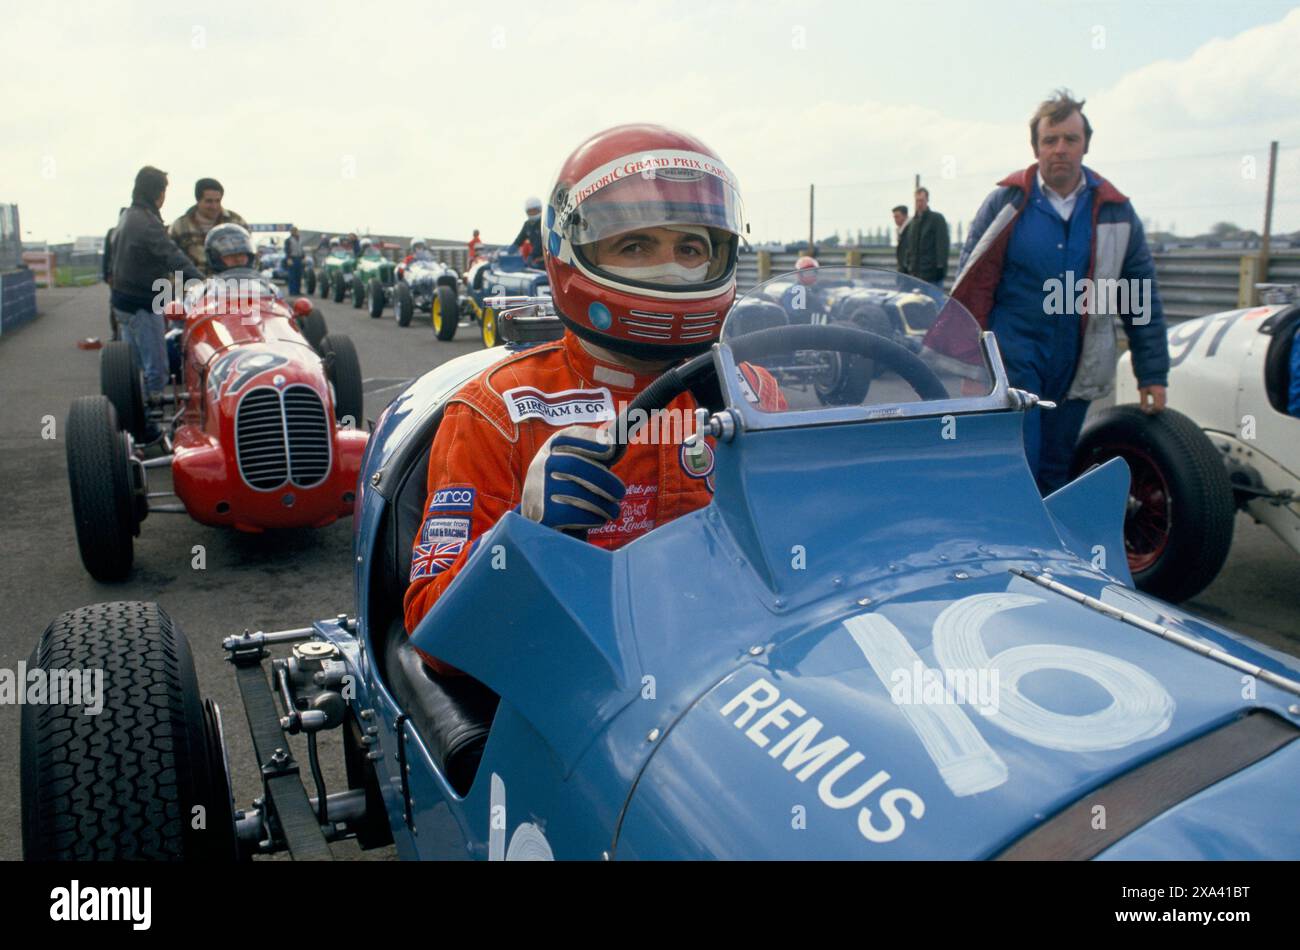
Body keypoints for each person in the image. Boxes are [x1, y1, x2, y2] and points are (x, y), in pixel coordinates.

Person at [402, 124, 785, 673]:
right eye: (636, 245)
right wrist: (525, 535)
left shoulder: (750, 390)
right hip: (578, 685)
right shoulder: (499, 411)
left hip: (736, 666)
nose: (670, 266)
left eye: (690, 248)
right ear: (571, 253)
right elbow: (434, 640)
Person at [952, 89, 1170, 495]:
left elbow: (1139, 296)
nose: (1060, 149)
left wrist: (1152, 373)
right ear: (1035, 146)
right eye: (1050, 140)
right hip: (1015, 351)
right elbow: (971, 287)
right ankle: (1012, 549)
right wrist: (970, 367)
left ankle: (1052, 554)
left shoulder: (1115, 211)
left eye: (1070, 139)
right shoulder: (1006, 202)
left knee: (1058, 466)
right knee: (1022, 459)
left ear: (1085, 144)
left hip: (1079, 357)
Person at [111, 166, 203, 411]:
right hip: (143, 304)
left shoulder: (128, 216)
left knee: (136, 367)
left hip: (123, 303)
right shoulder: (147, 222)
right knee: (157, 371)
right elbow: (172, 257)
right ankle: (151, 420)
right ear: (159, 193)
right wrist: (203, 284)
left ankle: (134, 415)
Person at [168, 178, 248, 275]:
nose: (214, 206)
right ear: (198, 200)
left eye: (218, 201)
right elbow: (170, 259)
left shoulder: (236, 223)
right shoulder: (180, 226)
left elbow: (250, 256)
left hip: (230, 283)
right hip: (193, 285)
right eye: (209, 201)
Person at [899, 188, 948, 285]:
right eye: (917, 200)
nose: (919, 204)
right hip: (914, 276)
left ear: (927, 200)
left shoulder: (936, 219)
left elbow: (942, 244)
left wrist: (940, 267)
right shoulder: (913, 223)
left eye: (922, 200)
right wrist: (905, 266)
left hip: (932, 276)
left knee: (934, 299)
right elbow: (909, 248)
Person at [102, 207, 127, 340]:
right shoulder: (112, 233)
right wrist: (106, 275)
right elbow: (106, 255)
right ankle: (115, 333)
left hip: (124, 276)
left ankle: (121, 333)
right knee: (114, 305)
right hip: (115, 275)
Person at [511, 197, 544, 268]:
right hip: (534, 258)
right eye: (530, 211)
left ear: (540, 210)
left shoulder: (544, 223)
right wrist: (510, 250)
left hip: (545, 257)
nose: (532, 213)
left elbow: (539, 242)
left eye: (534, 211)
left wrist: (532, 256)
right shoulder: (527, 225)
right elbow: (518, 240)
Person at [283, 226, 304, 294]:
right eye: (293, 231)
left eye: (296, 231)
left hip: (299, 258)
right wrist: (288, 258)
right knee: (292, 276)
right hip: (292, 258)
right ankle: (292, 291)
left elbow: (301, 249)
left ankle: (298, 291)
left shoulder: (300, 239)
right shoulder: (288, 240)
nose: (295, 232)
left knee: (299, 275)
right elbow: (287, 250)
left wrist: (304, 257)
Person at [891, 205, 909, 272]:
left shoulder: (911, 230)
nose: (895, 219)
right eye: (894, 217)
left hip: (908, 271)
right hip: (903, 270)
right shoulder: (900, 230)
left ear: (905, 216)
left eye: (897, 217)